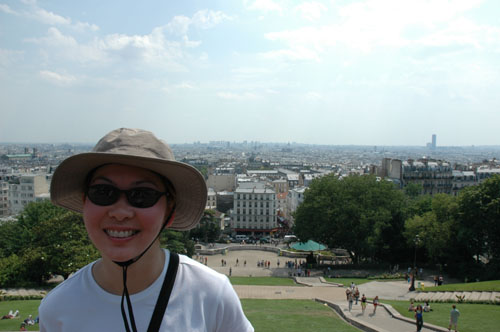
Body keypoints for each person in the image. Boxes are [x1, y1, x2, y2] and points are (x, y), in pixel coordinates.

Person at [38, 128, 254, 332]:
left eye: (142, 195)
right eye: (103, 192)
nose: (120, 212)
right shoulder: (56, 309)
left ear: (169, 210)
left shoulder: (213, 294)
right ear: (85, 202)